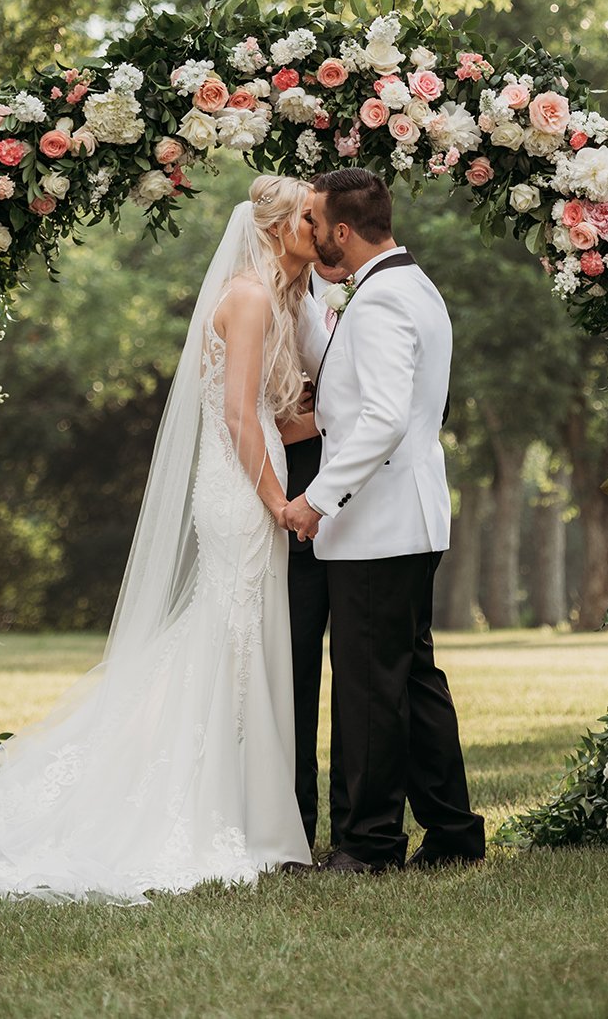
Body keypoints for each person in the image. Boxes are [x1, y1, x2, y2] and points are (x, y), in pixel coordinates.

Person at [0, 176, 322, 901]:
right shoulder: (246, 297)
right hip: (240, 488)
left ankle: (240, 802)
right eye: (309, 215)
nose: (319, 224)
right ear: (276, 226)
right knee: (229, 635)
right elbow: (241, 420)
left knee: (234, 637)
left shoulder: (279, 298)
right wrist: (278, 500)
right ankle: (187, 799)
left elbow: (277, 418)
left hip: (253, 472)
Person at [283, 168, 485, 874]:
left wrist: (315, 499)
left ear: (342, 231)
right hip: (411, 517)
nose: (309, 235)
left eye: (313, 223)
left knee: (370, 687)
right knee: (412, 678)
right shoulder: (408, 287)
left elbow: (382, 418)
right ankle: (455, 831)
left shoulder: (381, 304)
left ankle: (369, 844)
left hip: (377, 521)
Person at [285, 261, 350, 853]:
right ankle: (297, 824)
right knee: (296, 672)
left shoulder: (333, 296)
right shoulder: (261, 304)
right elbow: (261, 422)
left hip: (353, 514)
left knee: (360, 678)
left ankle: (357, 826)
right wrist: (330, 413)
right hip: (292, 510)